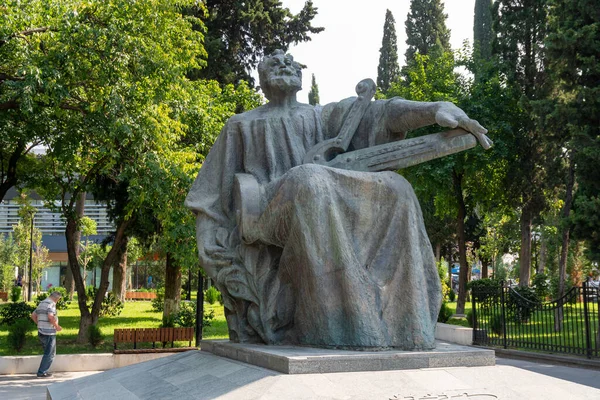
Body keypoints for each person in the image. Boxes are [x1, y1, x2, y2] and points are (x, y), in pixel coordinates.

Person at [185, 50, 491, 349]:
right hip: (264, 210)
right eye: (274, 63)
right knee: (309, 179)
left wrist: (434, 109)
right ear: (262, 78)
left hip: (312, 191)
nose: (284, 64)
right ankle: (331, 325)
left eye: (290, 62)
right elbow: (212, 194)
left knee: (396, 187)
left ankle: (404, 325)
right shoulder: (240, 124)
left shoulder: (322, 115)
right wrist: (211, 240)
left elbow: (380, 113)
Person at [30, 291, 63, 377]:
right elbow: (50, 317)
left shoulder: (42, 303)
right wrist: (57, 326)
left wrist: (39, 324)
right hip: (49, 332)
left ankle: (43, 371)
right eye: (58, 300)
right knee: (50, 354)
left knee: (47, 352)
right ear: (57, 298)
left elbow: (33, 315)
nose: (57, 301)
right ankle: (41, 372)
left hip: (41, 331)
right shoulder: (51, 304)